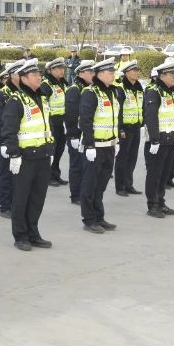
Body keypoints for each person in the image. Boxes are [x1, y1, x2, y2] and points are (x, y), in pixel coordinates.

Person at [1, 59, 54, 251]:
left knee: (37, 198)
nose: (39, 77)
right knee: (21, 198)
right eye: (34, 75)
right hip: (25, 157)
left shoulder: (42, 98)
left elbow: (47, 127)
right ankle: (21, 235)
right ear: (23, 78)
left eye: (39, 74)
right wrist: (14, 155)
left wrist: (51, 149)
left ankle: (33, 233)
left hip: (43, 155)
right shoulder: (16, 101)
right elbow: (9, 130)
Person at [78, 58, 121, 233]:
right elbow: (85, 120)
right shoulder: (91, 92)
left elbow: (115, 119)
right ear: (100, 74)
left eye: (113, 72)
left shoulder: (113, 92)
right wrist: (89, 145)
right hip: (95, 147)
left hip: (109, 145)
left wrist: (116, 141)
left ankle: (99, 216)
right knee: (90, 185)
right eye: (110, 72)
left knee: (101, 185)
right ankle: (89, 220)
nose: (113, 75)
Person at [142, 58, 174, 218]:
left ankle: (160, 202)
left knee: (165, 174)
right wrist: (154, 140)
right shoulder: (154, 91)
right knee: (155, 174)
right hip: (158, 142)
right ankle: (152, 205)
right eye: (172, 74)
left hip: (172, 140)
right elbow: (151, 117)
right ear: (162, 75)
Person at [0, 62, 25, 218]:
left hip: (23, 142)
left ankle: (16, 204)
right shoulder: (2, 94)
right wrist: (4, 142)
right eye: (20, 73)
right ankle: (5, 206)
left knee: (19, 176)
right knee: (5, 174)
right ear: (12, 75)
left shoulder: (25, 93)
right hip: (6, 142)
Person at [64, 60, 95, 205]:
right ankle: (75, 195)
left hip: (86, 134)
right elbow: (71, 115)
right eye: (90, 72)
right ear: (81, 73)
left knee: (86, 167)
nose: (93, 74)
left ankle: (84, 193)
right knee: (76, 166)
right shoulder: (74, 89)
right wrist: (72, 135)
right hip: (76, 134)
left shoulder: (90, 89)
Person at [113, 60, 144, 197]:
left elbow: (142, 107)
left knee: (132, 157)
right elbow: (118, 111)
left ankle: (128, 184)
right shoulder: (121, 89)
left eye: (138, 71)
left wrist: (142, 122)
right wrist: (120, 129)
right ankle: (120, 186)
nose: (137, 73)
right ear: (127, 73)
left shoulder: (139, 88)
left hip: (136, 127)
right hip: (125, 128)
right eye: (134, 71)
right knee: (122, 158)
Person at [41, 58, 68, 186]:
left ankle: (56, 175)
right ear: (50, 70)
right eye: (58, 68)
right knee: (51, 151)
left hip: (62, 123)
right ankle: (48, 176)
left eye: (63, 68)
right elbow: (43, 106)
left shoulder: (63, 83)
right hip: (52, 123)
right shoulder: (46, 85)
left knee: (59, 151)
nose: (62, 71)